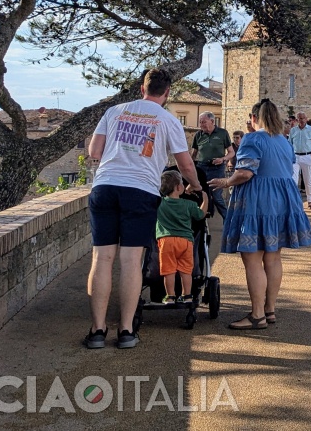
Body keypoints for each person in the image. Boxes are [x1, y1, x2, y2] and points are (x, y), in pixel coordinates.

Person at [84, 67, 201, 349]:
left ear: (142, 89)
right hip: (140, 191)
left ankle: (98, 330)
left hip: (105, 187)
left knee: (102, 259)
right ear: (167, 92)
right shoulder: (167, 120)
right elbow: (185, 164)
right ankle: (125, 331)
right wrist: (196, 186)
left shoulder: (114, 112)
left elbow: (94, 152)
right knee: (130, 261)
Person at [208, 99, 311, 330]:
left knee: (253, 258)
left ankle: (257, 315)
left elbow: (246, 172)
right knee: (273, 256)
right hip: (282, 201)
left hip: (259, 201)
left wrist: (226, 181)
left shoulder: (252, 138)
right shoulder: (283, 141)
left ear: (254, 118)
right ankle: (269, 309)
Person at [156, 170, 206, 304]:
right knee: (185, 270)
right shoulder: (188, 204)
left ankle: (170, 296)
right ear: (179, 187)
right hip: (185, 241)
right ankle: (187, 296)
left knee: (169, 270)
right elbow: (200, 214)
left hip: (166, 240)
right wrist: (205, 198)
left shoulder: (160, 203)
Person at [192, 112, 233, 218]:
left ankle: (228, 220)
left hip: (217, 168)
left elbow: (231, 152)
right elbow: (194, 154)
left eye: (204, 122)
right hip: (201, 167)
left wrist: (222, 159)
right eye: (200, 122)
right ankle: (202, 219)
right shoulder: (198, 135)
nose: (201, 124)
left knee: (216, 196)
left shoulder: (222, 133)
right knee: (201, 193)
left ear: (212, 121)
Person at [289, 113, 311, 209]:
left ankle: (310, 201)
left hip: (307, 156)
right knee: (294, 179)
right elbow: (289, 144)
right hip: (295, 156)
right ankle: (293, 201)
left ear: (306, 119)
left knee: (307, 180)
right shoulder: (293, 130)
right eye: (299, 118)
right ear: (297, 119)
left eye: (303, 118)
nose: (301, 120)